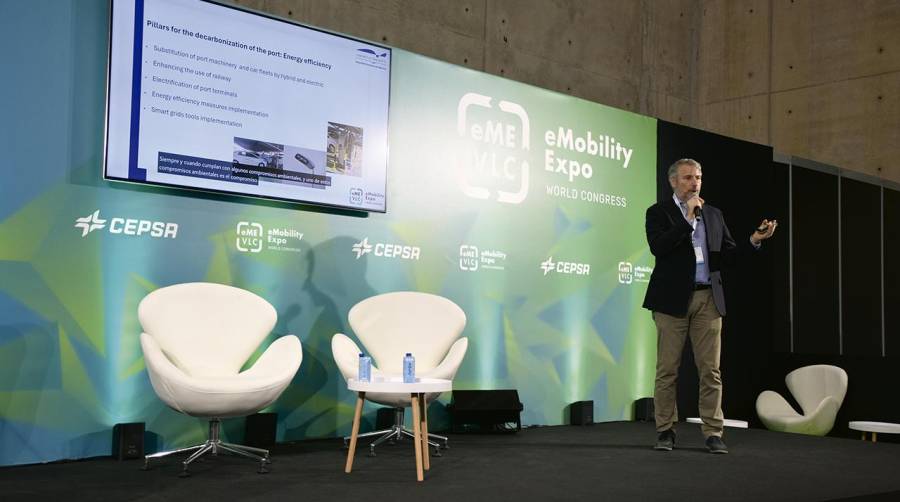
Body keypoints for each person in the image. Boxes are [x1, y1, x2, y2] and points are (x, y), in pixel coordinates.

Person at [642, 158, 776, 454]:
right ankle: (665, 431)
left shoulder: (713, 214)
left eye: (699, 177)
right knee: (667, 369)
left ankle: (713, 432)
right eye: (688, 178)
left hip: (708, 299)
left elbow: (726, 256)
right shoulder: (659, 212)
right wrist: (687, 219)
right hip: (671, 300)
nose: (695, 183)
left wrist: (754, 239)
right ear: (674, 182)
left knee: (710, 371)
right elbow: (659, 248)